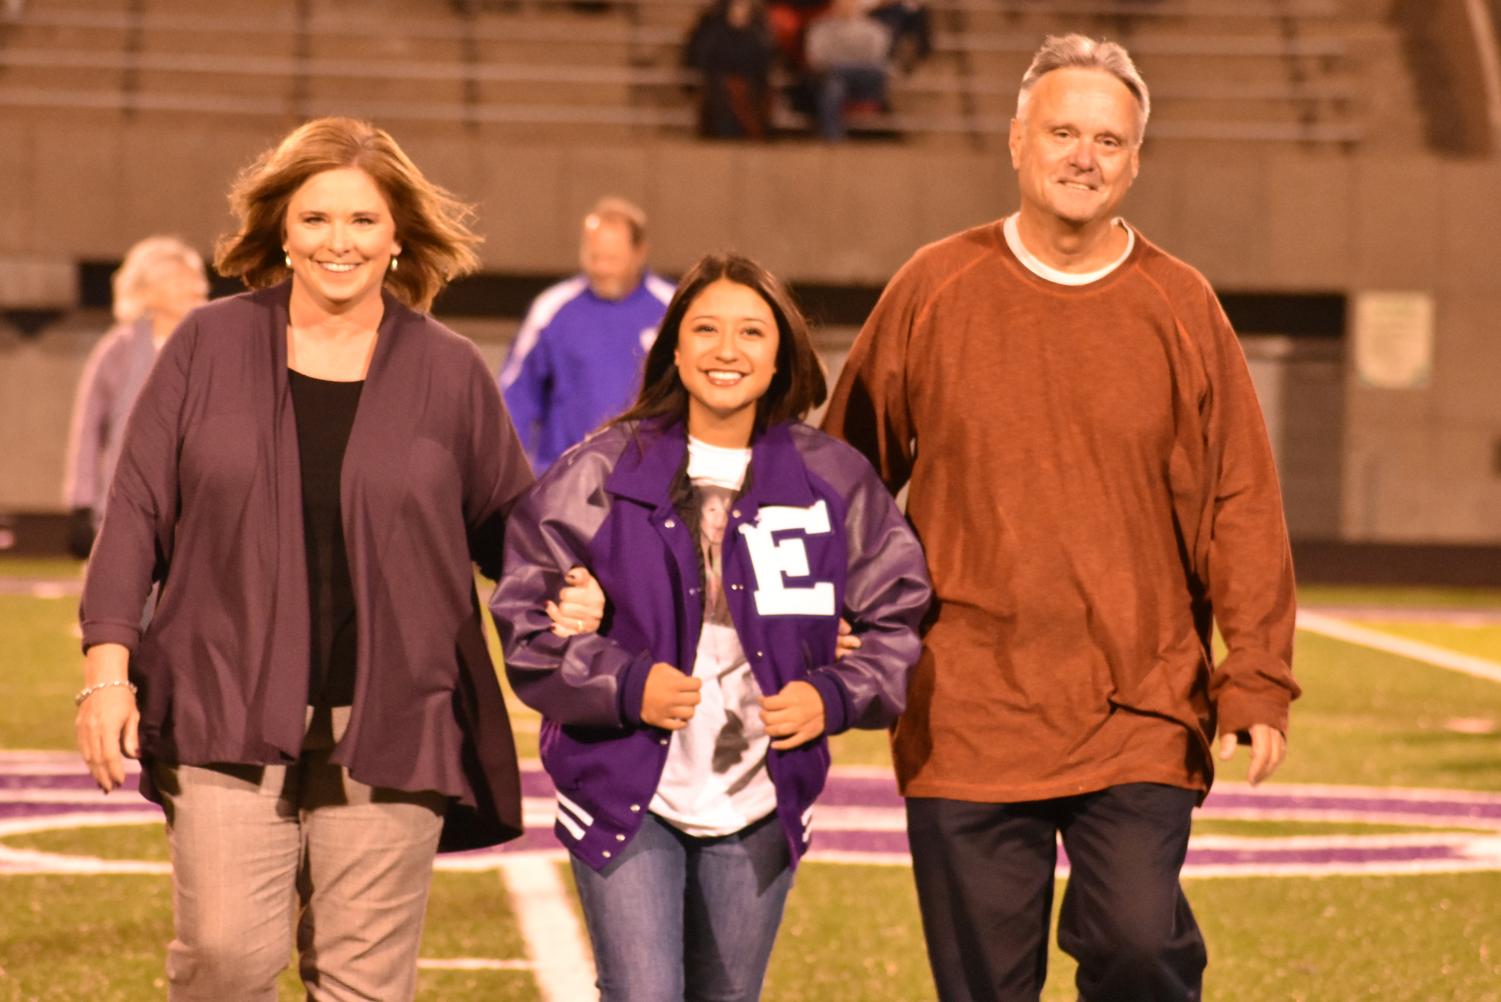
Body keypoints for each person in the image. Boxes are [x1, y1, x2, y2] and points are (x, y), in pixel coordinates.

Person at [822, 34, 1300, 1002]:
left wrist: (1252, 678)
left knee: (1133, 943)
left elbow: (1238, 502)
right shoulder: (932, 287)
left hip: (1138, 703)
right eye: (1064, 132)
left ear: (1134, 161)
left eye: (1109, 141)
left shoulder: (1180, 305)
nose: (1085, 156)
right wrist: (826, 618)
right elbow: (844, 476)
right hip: (965, 708)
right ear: (1016, 141)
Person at [74, 116, 542, 1001]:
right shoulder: (207, 345)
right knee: (226, 960)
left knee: (363, 983)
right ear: (282, 231)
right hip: (222, 709)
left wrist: (578, 586)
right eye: (317, 218)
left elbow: (513, 530)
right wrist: (108, 671)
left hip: (396, 720)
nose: (339, 241)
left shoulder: (449, 369)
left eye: (362, 220)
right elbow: (135, 511)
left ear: (397, 234)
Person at [491, 251, 932, 1001]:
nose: (726, 350)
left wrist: (833, 694)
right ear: (672, 348)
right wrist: (624, 683)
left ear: (781, 353)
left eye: (751, 332)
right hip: (624, 789)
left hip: (762, 794)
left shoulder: (834, 479)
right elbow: (526, 621)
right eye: (705, 329)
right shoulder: (599, 471)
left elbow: (897, 614)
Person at [498, 196, 675, 471]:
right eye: (594, 257)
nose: (602, 269)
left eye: (612, 259)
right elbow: (515, 399)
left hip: (650, 477)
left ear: (640, 252)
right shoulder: (552, 310)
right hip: (565, 478)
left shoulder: (673, 309)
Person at [61, 236, 209, 559]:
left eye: (196, 278)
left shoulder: (215, 346)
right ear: (148, 290)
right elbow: (88, 430)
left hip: (197, 506)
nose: (196, 287)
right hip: (126, 502)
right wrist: (81, 503)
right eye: (179, 280)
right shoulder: (119, 350)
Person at [685, 0, 777, 140]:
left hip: (752, 85)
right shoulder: (711, 22)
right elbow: (701, 57)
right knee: (724, 90)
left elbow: (764, 62)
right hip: (719, 85)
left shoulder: (758, 27)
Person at [804, 0, 892, 140]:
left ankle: (832, 134)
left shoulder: (874, 29)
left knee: (839, 77)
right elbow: (815, 59)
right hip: (832, 76)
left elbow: (878, 56)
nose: (845, 6)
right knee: (834, 86)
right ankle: (833, 135)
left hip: (863, 76)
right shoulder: (820, 28)